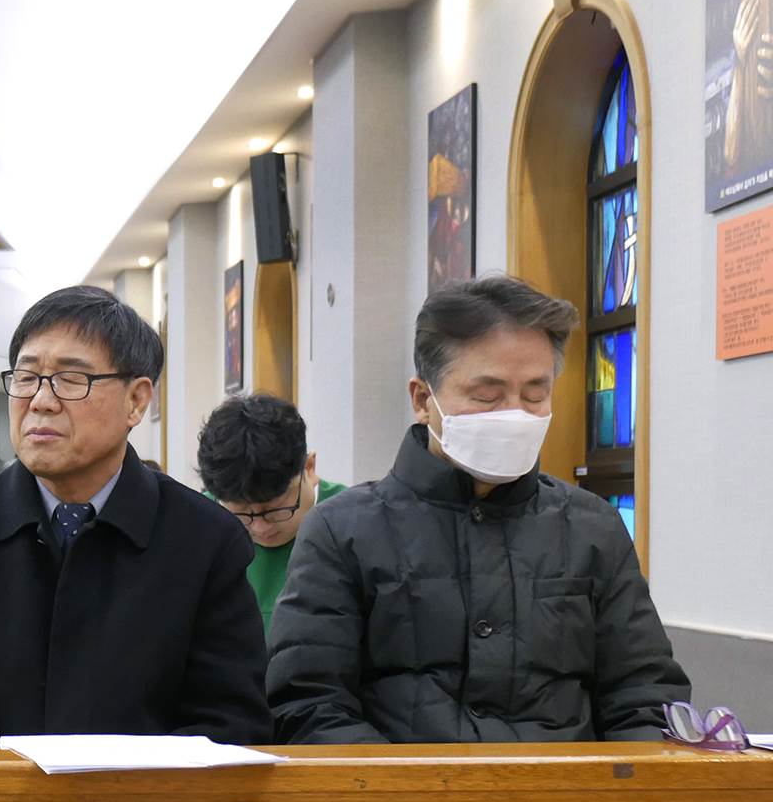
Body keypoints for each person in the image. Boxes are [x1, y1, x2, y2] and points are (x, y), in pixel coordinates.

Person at [268, 273, 688, 743]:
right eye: (488, 395)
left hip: (563, 788)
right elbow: (309, 703)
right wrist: (408, 787)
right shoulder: (342, 530)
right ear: (423, 399)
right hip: (399, 787)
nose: (514, 413)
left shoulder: (592, 527)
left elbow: (645, 696)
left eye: (535, 394)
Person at [0, 285, 271, 747]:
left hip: (150, 794)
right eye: (26, 377)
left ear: (136, 400)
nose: (40, 401)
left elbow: (229, 720)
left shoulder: (206, 540)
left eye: (71, 378)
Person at [195, 394, 345, 635]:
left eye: (275, 510)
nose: (261, 528)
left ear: (309, 468)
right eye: (241, 513)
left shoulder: (352, 523)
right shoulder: (200, 523)